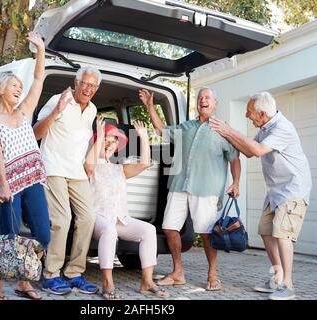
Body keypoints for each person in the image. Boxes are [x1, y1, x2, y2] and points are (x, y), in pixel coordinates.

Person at [209, 92, 311, 300]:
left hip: (293, 189)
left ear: (262, 114)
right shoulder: (265, 128)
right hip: (275, 191)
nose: (247, 115)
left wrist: (229, 130)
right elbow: (247, 150)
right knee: (265, 230)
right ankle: (277, 277)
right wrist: (226, 134)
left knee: (282, 233)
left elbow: (256, 150)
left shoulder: (283, 128)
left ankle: (288, 285)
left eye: (249, 112)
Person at [139, 87, 241, 291]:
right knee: (169, 228)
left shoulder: (223, 129)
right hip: (179, 185)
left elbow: (235, 159)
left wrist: (236, 182)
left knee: (206, 234)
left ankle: (212, 274)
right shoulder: (186, 127)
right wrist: (150, 107)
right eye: (200, 97)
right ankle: (178, 273)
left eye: (207, 97)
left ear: (215, 103)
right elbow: (161, 130)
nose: (203, 100)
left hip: (206, 189)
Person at [0, 31, 50, 300]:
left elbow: (38, 78)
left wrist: (41, 48)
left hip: (32, 180)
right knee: (6, 238)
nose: (19, 89)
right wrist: (5, 187)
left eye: (19, 87)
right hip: (8, 183)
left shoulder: (24, 112)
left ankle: (24, 281)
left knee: (43, 234)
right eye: (14, 86)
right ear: (0, 89)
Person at [84, 116, 170, 300]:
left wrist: (144, 137)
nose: (109, 145)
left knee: (149, 229)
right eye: (106, 141)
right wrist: (99, 137)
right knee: (109, 231)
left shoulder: (119, 168)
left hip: (120, 218)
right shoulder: (89, 164)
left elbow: (145, 164)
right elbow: (89, 166)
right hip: (98, 219)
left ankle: (147, 282)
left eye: (113, 142)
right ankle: (107, 282)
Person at [33, 67, 101, 295]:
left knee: (88, 217)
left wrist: (91, 161)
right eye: (85, 83)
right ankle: (51, 274)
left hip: (77, 171)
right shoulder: (57, 100)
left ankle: (74, 272)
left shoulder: (92, 110)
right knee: (62, 219)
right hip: (53, 167)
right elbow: (36, 133)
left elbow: (82, 141)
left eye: (93, 86)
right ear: (76, 82)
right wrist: (56, 112)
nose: (88, 89)